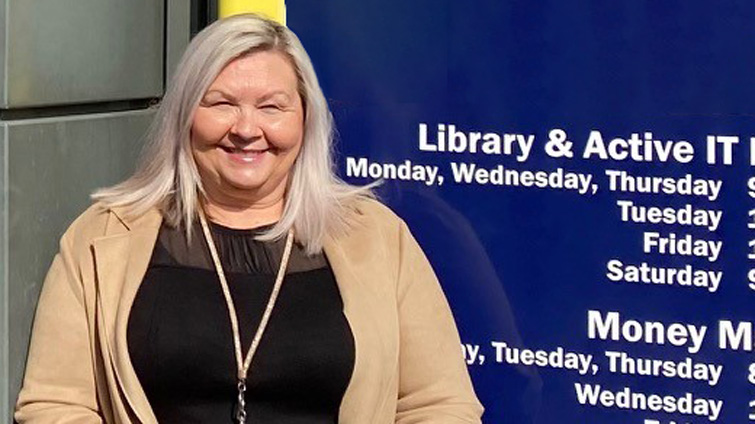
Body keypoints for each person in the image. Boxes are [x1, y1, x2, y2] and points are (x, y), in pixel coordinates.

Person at [15, 14, 483, 423]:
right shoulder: (103, 238)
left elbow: (439, 404)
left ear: (305, 119)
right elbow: (54, 403)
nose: (245, 129)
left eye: (271, 107)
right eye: (220, 103)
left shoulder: (377, 239)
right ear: (183, 116)